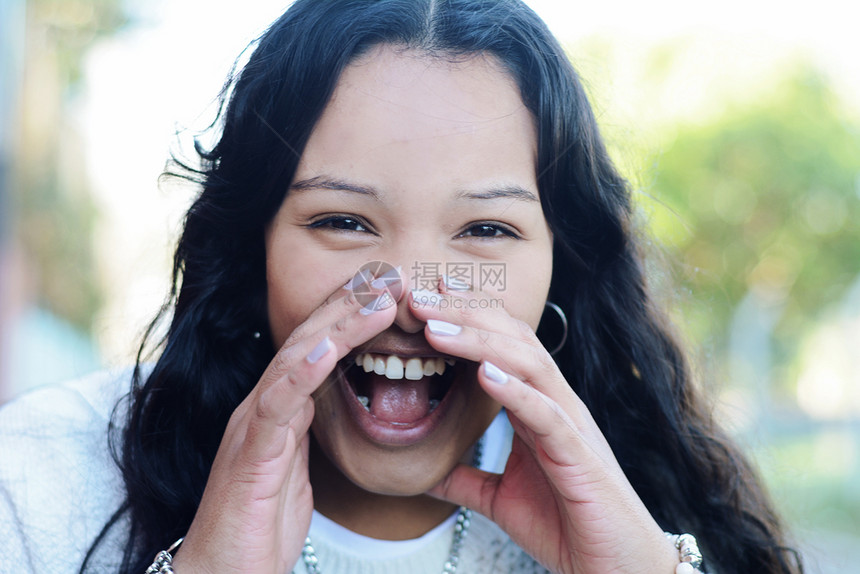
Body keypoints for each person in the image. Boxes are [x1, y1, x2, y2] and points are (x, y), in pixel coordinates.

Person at [0, 1, 804, 573]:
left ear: (564, 264)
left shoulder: (660, 492)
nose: (411, 301)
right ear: (250, 251)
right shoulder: (39, 481)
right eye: (344, 222)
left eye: (486, 231)